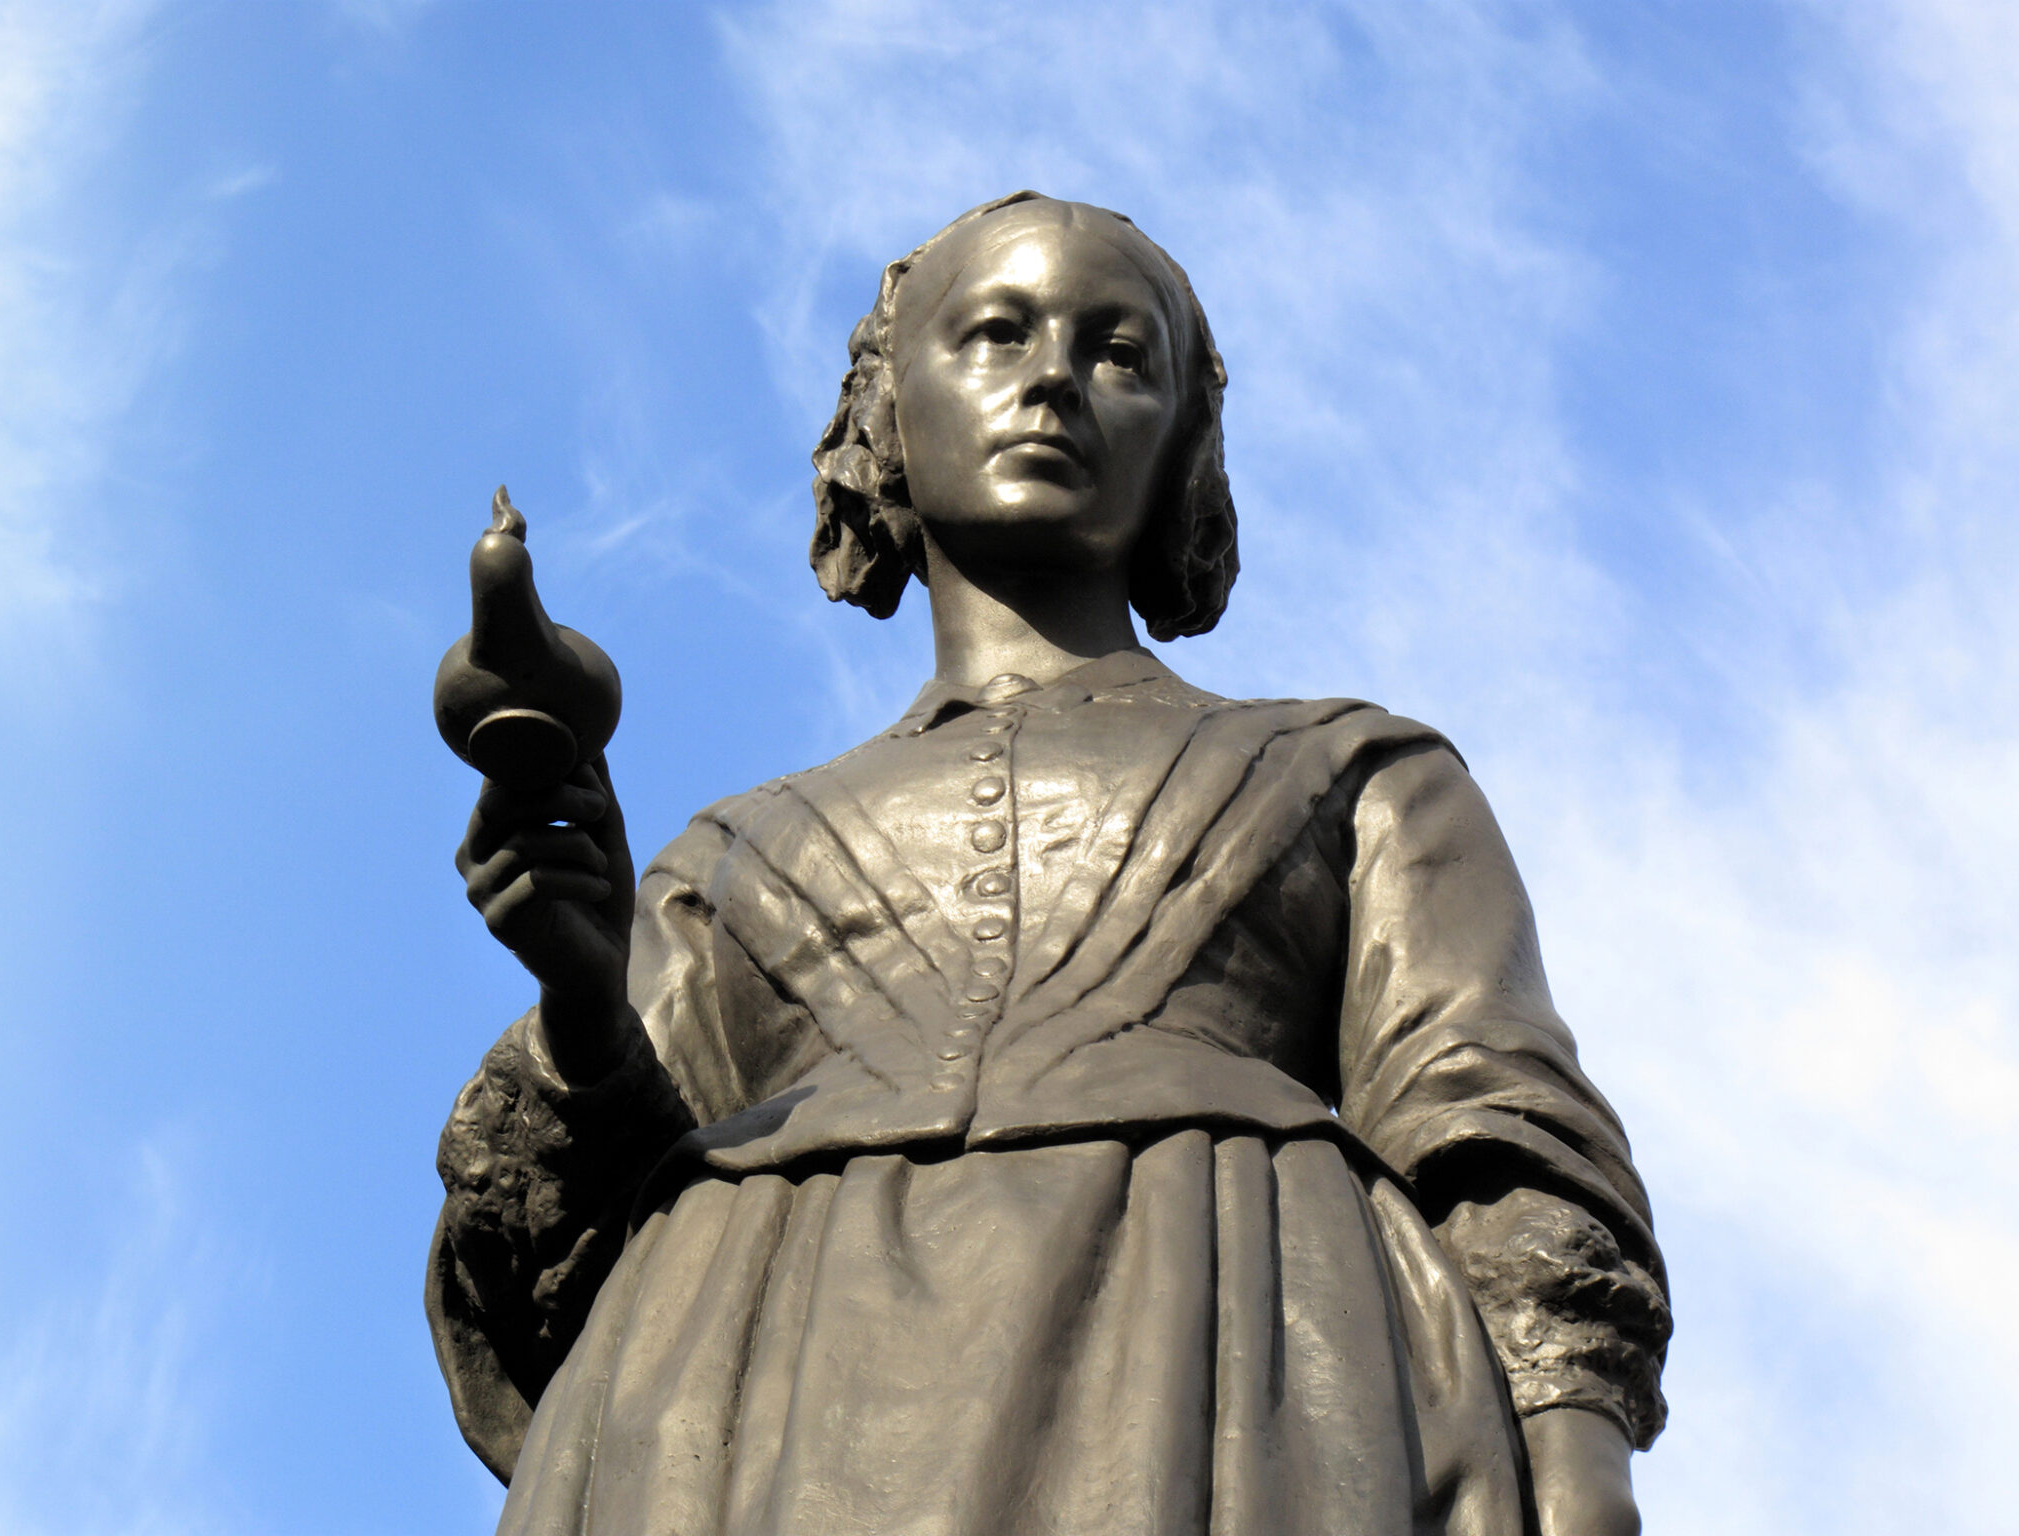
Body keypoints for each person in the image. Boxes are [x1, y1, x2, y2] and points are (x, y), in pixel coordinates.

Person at [429, 192, 1670, 1536]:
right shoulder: (729, 858)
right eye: (996, 335)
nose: (1053, 384)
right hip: (751, 1404)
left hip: (1231, 1378)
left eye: (1119, 353)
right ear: (887, 415)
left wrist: (1574, 1459)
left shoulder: (1353, 775)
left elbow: (1492, 1123)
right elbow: (548, 1282)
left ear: (1185, 439)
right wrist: (583, 1008)